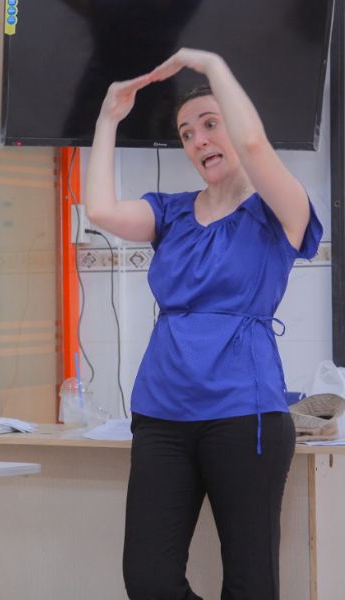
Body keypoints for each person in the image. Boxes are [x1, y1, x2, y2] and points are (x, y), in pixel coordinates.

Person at [84, 48, 322, 599]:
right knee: (148, 580)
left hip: (245, 415)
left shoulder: (278, 210)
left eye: (211, 124)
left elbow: (256, 145)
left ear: (235, 125)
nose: (199, 141)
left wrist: (212, 64)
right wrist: (108, 118)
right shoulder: (169, 212)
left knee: (250, 583)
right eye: (187, 133)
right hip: (161, 415)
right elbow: (99, 211)